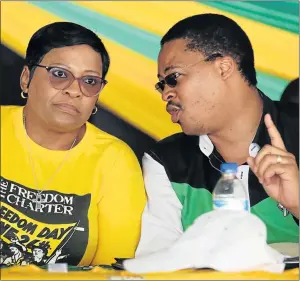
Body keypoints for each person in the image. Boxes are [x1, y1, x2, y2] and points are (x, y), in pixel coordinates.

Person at [136, 14, 299, 256]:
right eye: (162, 85)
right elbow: (158, 263)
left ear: (223, 68)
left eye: (173, 78)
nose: (165, 94)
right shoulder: (166, 163)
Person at [0, 22, 146, 266]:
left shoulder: (114, 161)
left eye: (90, 81)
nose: (74, 91)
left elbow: (110, 271)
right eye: (59, 74)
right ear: (27, 79)